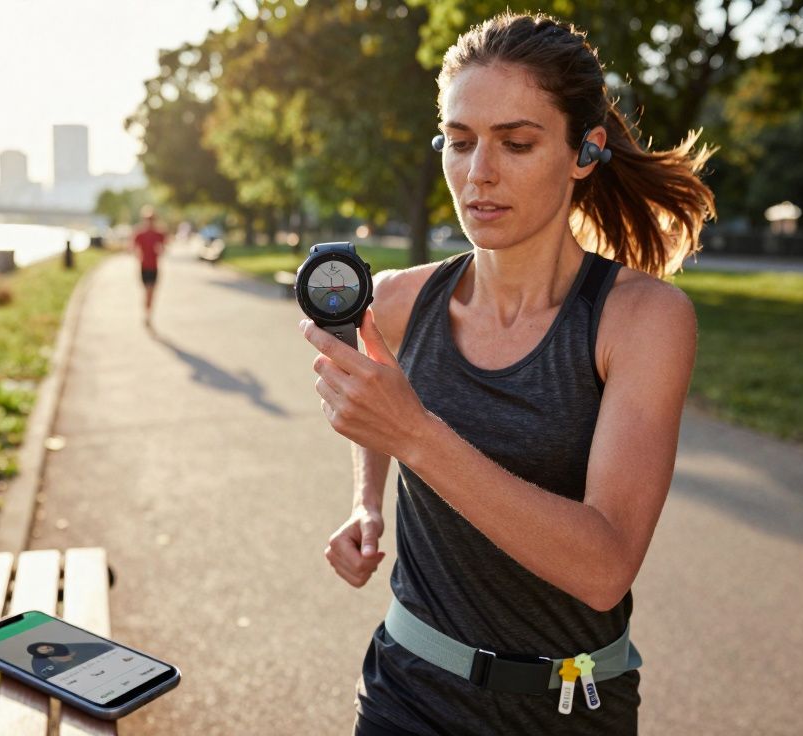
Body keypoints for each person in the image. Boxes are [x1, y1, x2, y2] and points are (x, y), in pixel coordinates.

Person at [299, 12, 714, 735]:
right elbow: (379, 400)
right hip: (406, 691)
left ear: (585, 152)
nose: (478, 174)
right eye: (458, 143)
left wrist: (416, 437)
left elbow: (604, 565)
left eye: (516, 143)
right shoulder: (395, 302)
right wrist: (369, 498)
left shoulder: (642, 321)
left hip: (569, 708)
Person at [130, 205, 168, 327]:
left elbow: (164, 248)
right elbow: (132, 248)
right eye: (147, 219)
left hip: (154, 267)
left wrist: (160, 251)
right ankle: (146, 313)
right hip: (143, 267)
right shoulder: (139, 233)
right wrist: (138, 255)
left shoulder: (159, 233)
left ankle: (148, 315)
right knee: (147, 291)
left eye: (152, 219)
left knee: (151, 292)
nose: (149, 221)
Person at [25, 640, 113, 677]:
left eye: (47, 647)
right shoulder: (39, 663)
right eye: (43, 650)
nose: (47, 649)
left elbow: (102, 647)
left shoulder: (65, 648)